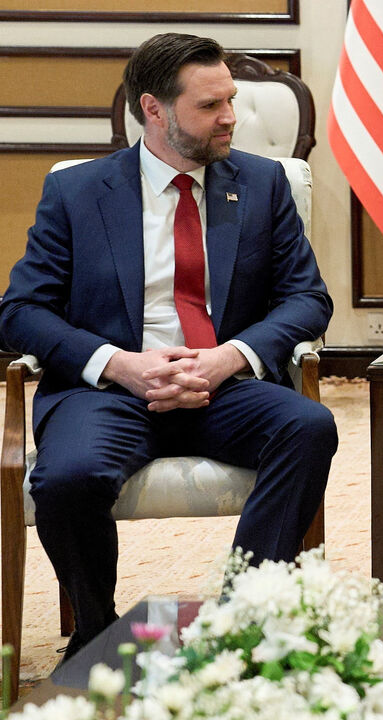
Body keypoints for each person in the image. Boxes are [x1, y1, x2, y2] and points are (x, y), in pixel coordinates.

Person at [0, 33, 336, 660]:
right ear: (153, 109)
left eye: (230, 101)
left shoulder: (263, 184)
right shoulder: (78, 192)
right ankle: (96, 635)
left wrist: (230, 356)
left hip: (225, 386)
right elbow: (19, 311)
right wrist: (118, 365)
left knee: (309, 426)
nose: (231, 117)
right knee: (67, 477)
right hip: (110, 391)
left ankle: (245, 622)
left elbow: (308, 299)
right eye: (211, 106)